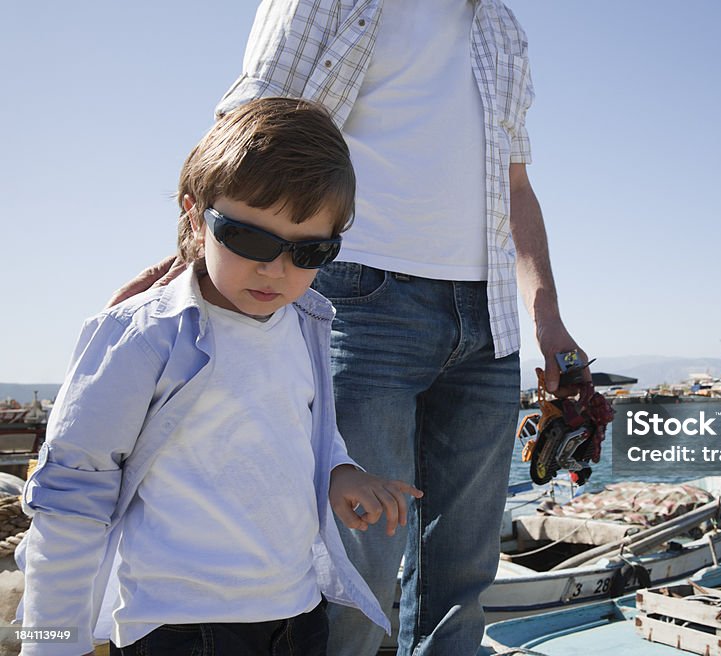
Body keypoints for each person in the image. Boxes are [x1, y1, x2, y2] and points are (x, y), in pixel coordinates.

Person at [109, 2, 591, 654]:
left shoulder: (501, 26)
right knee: (353, 569)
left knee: (463, 580)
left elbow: (517, 186)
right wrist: (192, 268)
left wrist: (548, 321)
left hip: (488, 326)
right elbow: (246, 127)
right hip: (353, 303)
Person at [17, 97, 421, 656]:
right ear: (194, 214)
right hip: (182, 629)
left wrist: (340, 470)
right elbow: (70, 497)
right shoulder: (143, 336)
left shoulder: (306, 325)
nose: (275, 268)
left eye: (310, 251)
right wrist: (51, 645)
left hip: (298, 613)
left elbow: (302, 430)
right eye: (250, 239)